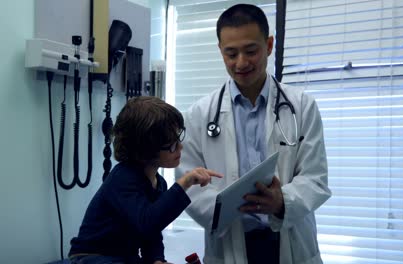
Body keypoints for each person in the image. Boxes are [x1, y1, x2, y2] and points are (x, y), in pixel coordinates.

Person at [175, 3, 332, 264]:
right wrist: (220, 209)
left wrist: (282, 201)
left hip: (289, 240)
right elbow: (188, 184)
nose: (241, 63)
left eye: (251, 51)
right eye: (231, 53)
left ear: (269, 45)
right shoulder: (200, 114)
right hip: (230, 242)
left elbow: (315, 178)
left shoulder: (302, 107)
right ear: (220, 51)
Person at [68, 96, 223, 264]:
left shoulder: (158, 182)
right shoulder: (122, 178)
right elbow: (147, 222)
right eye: (171, 144)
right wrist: (184, 183)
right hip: (91, 257)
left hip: (124, 258)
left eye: (178, 138)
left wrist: (157, 259)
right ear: (145, 149)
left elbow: (152, 232)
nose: (180, 147)